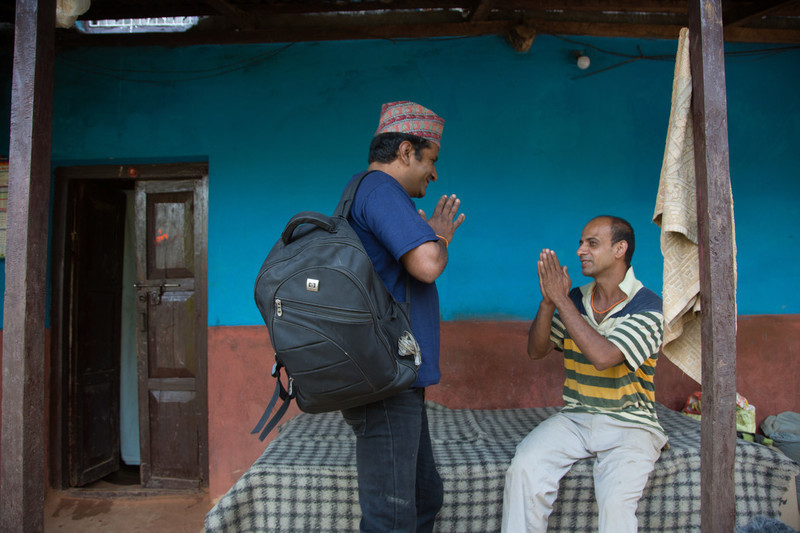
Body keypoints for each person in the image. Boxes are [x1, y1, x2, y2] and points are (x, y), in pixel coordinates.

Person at [340, 101, 465, 532]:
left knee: (423, 495)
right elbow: (428, 263)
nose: (434, 174)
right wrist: (441, 236)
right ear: (407, 151)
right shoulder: (381, 190)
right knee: (390, 516)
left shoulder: (371, 192)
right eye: (431, 160)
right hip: (385, 378)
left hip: (396, 376)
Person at [502, 215, 666, 533]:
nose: (580, 250)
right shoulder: (575, 299)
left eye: (592, 243)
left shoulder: (648, 306)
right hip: (577, 417)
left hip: (631, 423)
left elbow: (604, 357)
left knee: (616, 502)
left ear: (620, 249)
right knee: (525, 467)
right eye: (580, 242)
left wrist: (561, 300)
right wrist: (549, 302)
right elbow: (536, 351)